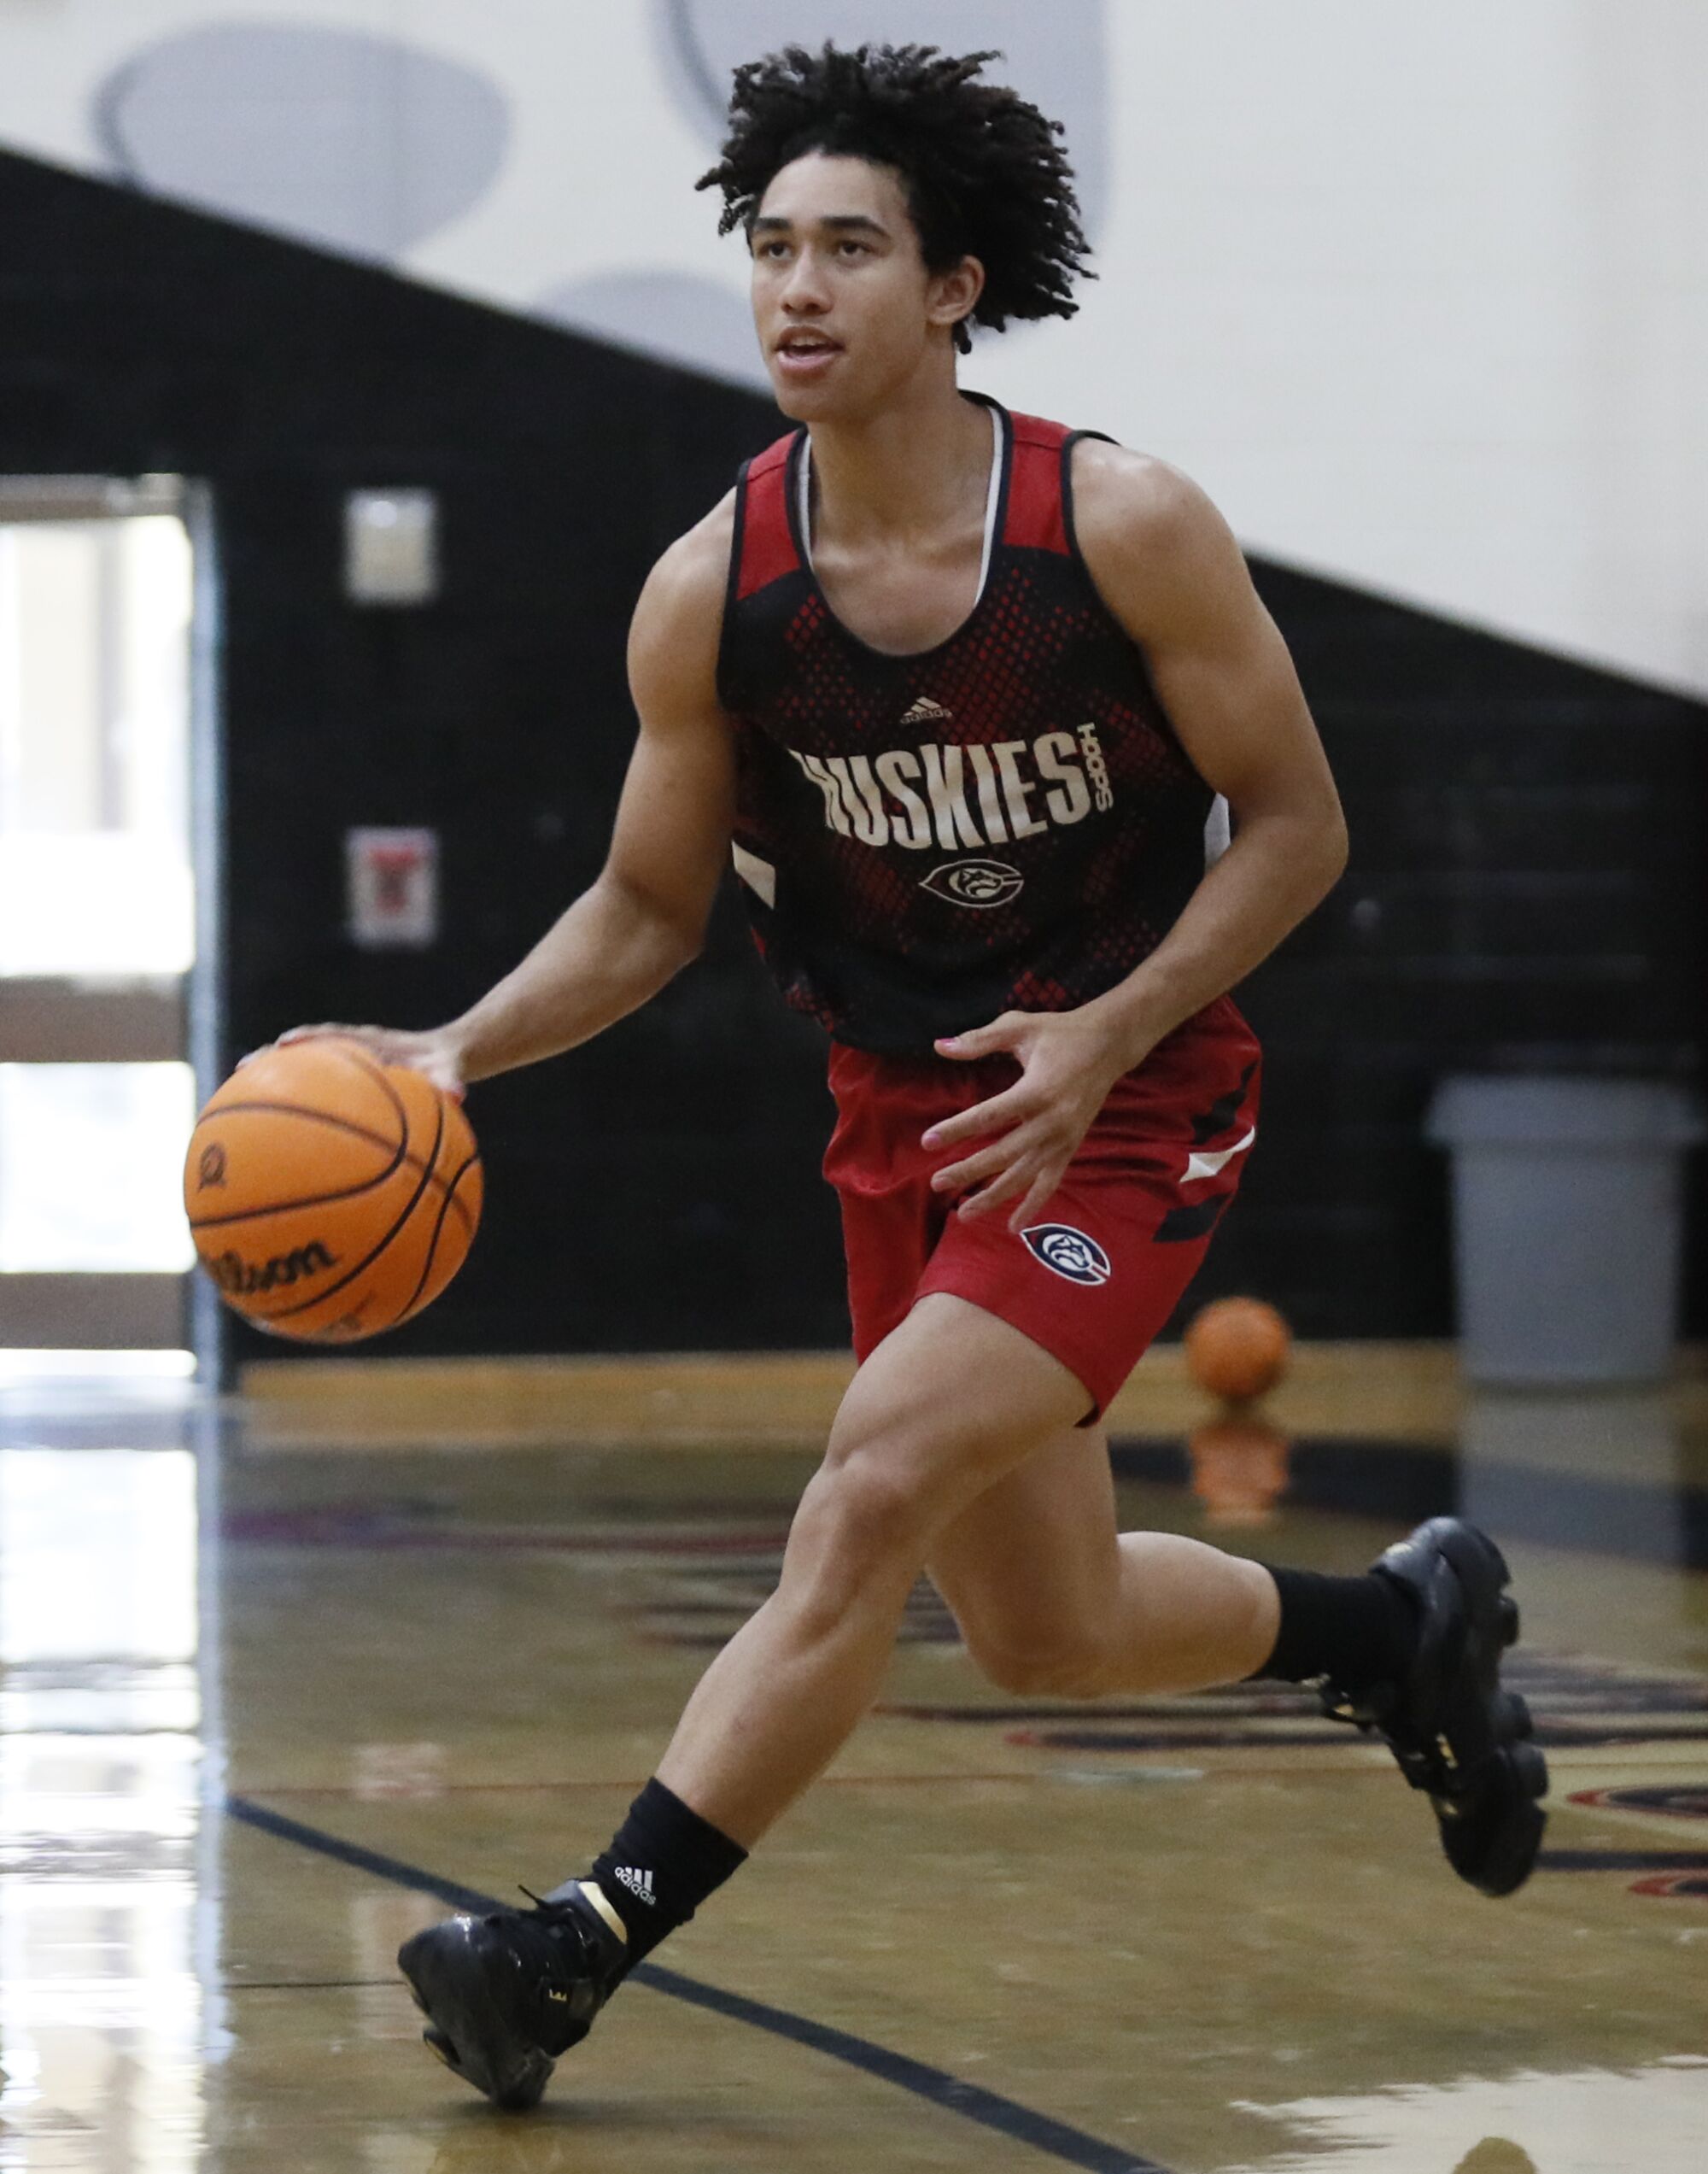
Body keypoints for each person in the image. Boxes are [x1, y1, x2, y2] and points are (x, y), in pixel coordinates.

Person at [275, 44, 1547, 2112]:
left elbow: (1300, 824)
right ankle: (1392, 1634)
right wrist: (445, 1050)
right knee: (1043, 1629)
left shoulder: (1110, 524)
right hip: (908, 1116)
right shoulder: (718, 589)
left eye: (847, 247)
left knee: (865, 1483)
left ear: (952, 287)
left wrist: (1112, 1026)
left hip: (1128, 1092)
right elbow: (639, 904)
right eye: (770, 248)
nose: (796, 286)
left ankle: (572, 1942)